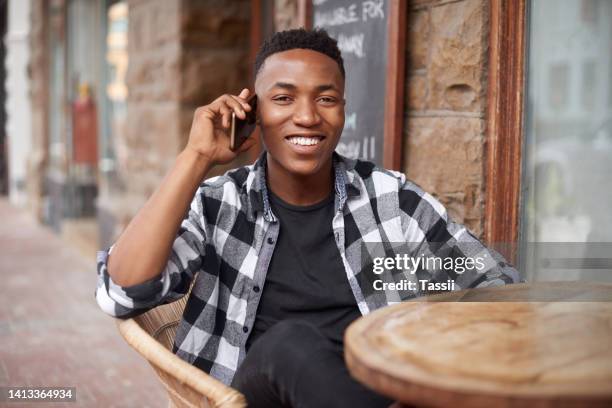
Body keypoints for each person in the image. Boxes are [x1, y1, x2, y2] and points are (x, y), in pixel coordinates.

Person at [96, 28, 520, 407]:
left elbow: (499, 288)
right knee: (289, 345)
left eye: (326, 98)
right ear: (253, 112)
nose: (307, 116)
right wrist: (197, 157)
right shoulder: (218, 203)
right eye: (283, 98)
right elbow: (122, 293)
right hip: (256, 392)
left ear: (343, 111)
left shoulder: (391, 200)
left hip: (370, 393)